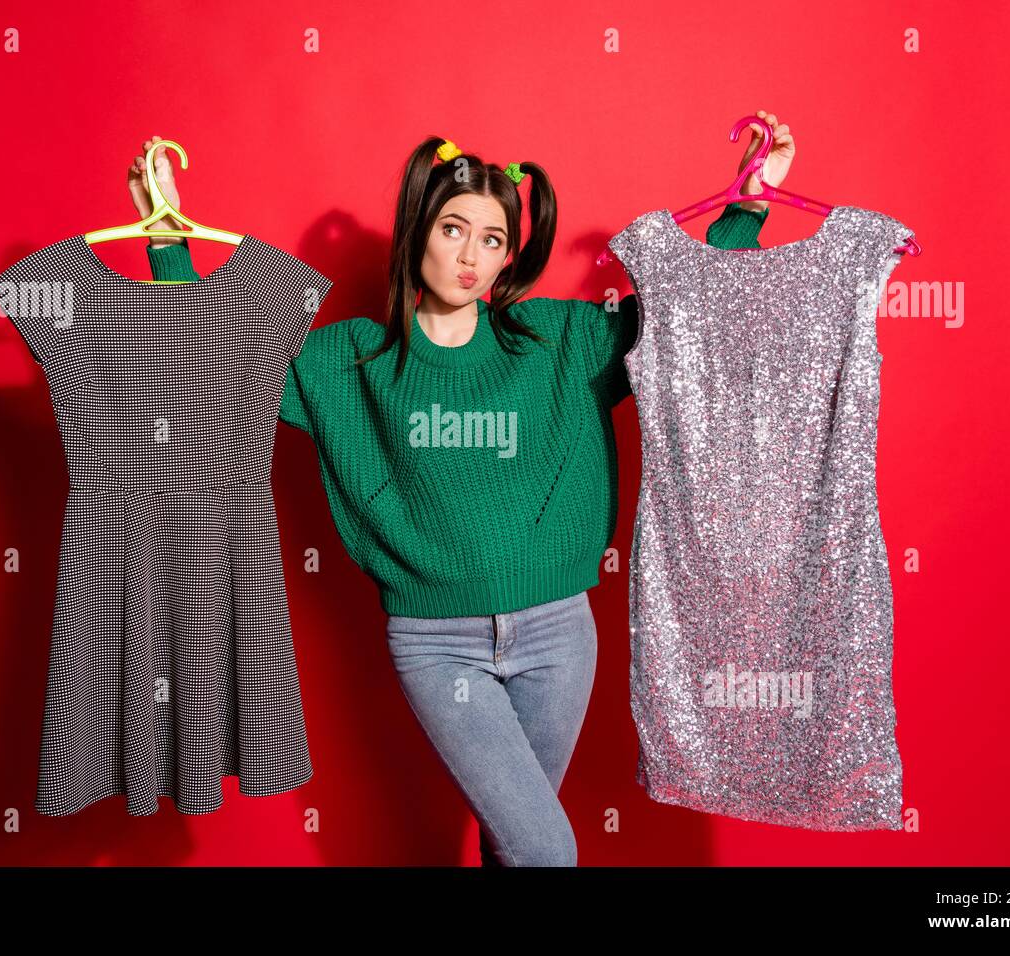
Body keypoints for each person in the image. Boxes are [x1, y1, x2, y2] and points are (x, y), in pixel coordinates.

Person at [124, 114, 793, 865]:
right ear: (418, 230)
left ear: (510, 254)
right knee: (545, 851)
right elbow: (217, 366)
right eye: (453, 229)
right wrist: (165, 241)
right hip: (437, 646)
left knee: (514, 848)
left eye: (493, 238)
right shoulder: (350, 363)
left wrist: (750, 205)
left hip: (558, 635)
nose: (471, 255)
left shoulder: (558, 342)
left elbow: (685, 319)